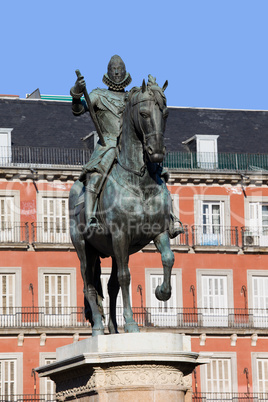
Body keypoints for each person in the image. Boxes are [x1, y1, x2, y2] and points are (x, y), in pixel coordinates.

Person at [70, 55, 132, 231]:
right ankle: (90, 219)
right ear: (108, 72)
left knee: (156, 175)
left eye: (120, 68)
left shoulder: (133, 96)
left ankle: (170, 218)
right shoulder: (98, 95)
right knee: (95, 178)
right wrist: (77, 92)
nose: (117, 72)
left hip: (130, 147)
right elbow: (78, 110)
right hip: (108, 145)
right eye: (114, 69)